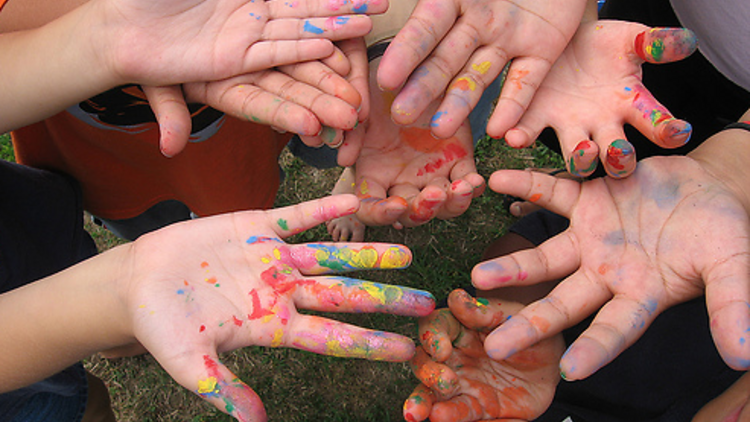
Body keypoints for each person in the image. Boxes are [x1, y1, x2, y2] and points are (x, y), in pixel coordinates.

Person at [0, 1, 440, 421]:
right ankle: (112, 323)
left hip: (227, 134)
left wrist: (110, 36)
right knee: (127, 223)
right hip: (103, 162)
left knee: (218, 201)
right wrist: (114, 297)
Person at [0, 0, 388, 240]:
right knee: (147, 224)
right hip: (101, 155)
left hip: (250, 113)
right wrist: (105, 36)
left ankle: (347, 176)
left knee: (330, 132)